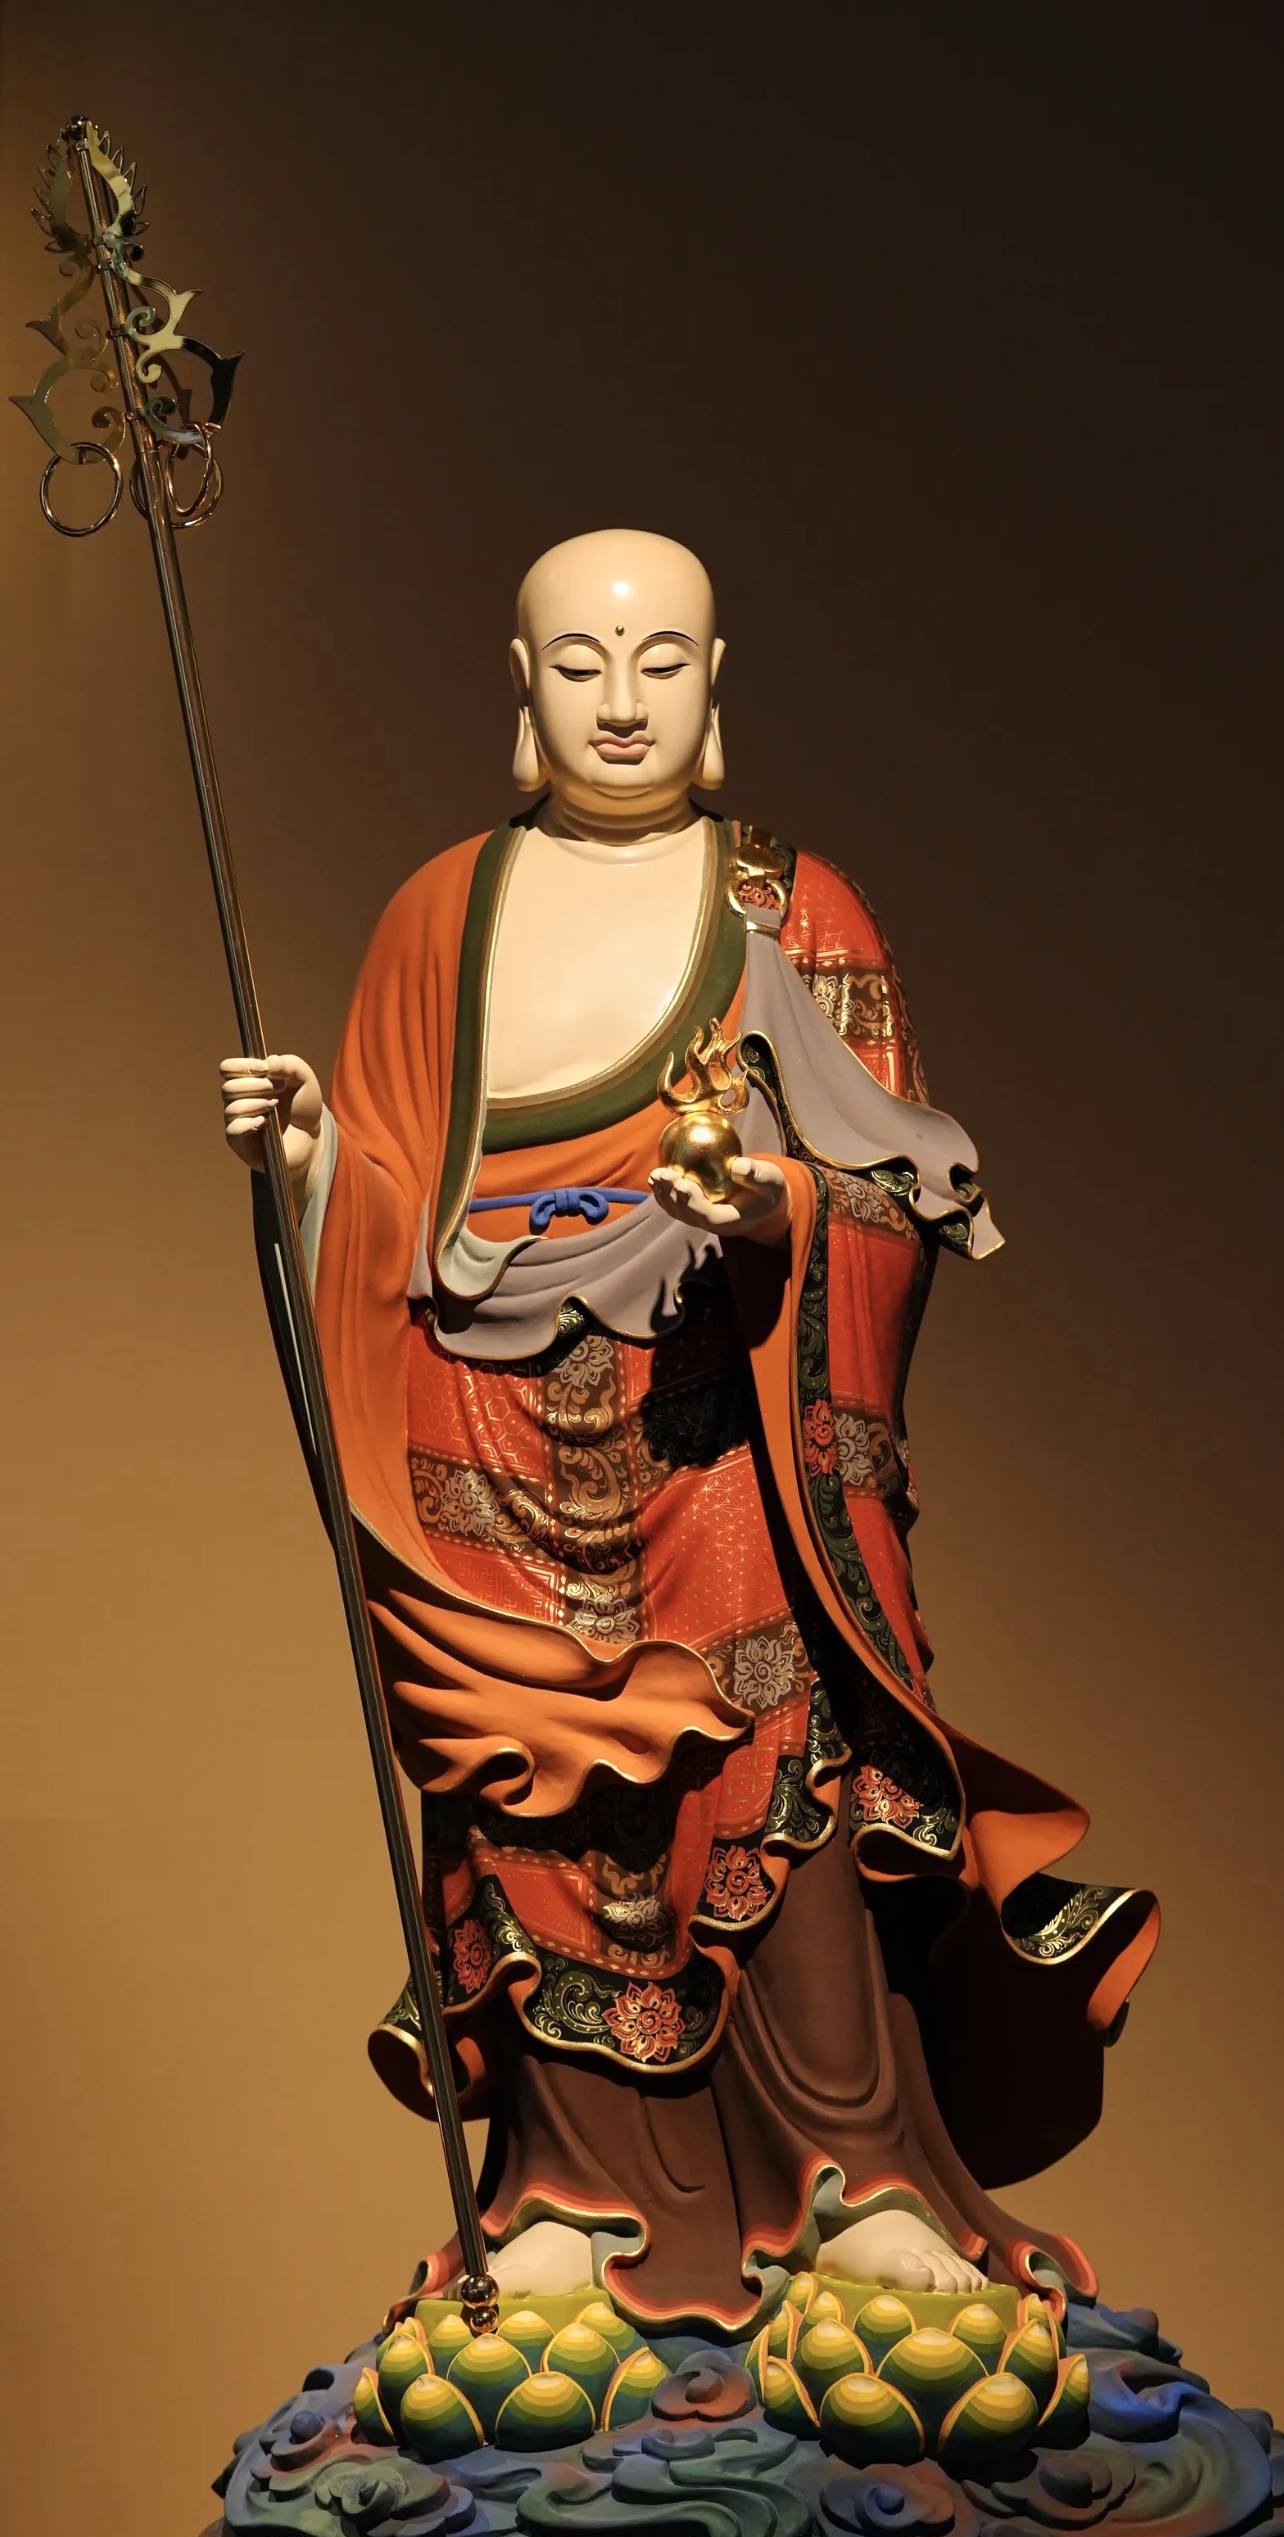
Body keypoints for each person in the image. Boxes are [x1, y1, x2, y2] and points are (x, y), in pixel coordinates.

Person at [221, 529, 1156, 2332]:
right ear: (522, 689)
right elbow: (398, 1204)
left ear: (716, 686)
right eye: (580, 665)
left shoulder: (795, 911)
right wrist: (314, 1161)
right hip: (487, 1416)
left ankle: (848, 2170)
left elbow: (897, 1191)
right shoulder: (439, 916)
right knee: (533, 1788)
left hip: (722, 1398)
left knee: (768, 1735)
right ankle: (576, 2190)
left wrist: (774, 1216)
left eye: (661, 662)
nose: (624, 700)